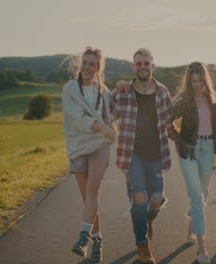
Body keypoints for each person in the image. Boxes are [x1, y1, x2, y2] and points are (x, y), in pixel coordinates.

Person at [111, 48, 178, 264]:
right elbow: (106, 113)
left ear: (152, 65)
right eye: (138, 64)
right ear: (134, 67)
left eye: (145, 63)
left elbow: (169, 123)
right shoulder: (123, 91)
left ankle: (147, 219)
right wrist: (111, 88)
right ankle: (143, 247)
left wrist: (186, 141)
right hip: (132, 155)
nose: (142, 67)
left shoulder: (162, 92)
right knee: (139, 198)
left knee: (156, 200)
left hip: (157, 154)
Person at [62, 47, 116, 263]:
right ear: (80, 64)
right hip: (78, 146)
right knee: (88, 200)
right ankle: (97, 239)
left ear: (98, 67)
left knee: (93, 191)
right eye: (84, 62)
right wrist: (99, 126)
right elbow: (75, 117)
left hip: (99, 145)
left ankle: (83, 239)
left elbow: (114, 111)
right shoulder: (70, 89)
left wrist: (121, 90)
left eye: (92, 64)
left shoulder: (104, 91)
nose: (86, 67)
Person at [170, 62, 216, 264]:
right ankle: (202, 249)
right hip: (188, 151)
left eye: (199, 81)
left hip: (208, 149)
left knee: (203, 193)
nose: (196, 85)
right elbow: (166, 118)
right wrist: (177, 137)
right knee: (197, 197)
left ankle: (191, 227)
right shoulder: (183, 98)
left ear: (205, 79)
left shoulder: (212, 98)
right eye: (193, 81)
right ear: (188, 81)